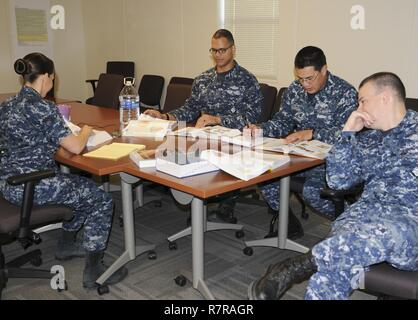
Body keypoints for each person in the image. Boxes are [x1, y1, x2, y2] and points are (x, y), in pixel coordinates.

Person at [249, 72, 418, 300]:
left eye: (363, 101)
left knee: (387, 233)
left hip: (409, 223)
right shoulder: (367, 140)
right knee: (334, 268)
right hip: (364, 217)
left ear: (385, 97)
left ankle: (295, 267)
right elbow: (338, 181)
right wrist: (347, 133)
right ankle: (305, 266)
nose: (358, 108)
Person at [0, 53, 128, 289]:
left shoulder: (7, 104)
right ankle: (94, 270)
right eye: (52, 78)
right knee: (100, 199)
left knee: (79, 191)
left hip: (8, 184)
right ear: (48, 77)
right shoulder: (43, 107)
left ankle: (67, 245)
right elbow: (76, 146)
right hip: (34, 185)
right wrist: (86, 131)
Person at [145, 29, 263, 222]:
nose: (218, 55)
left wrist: (217, 119)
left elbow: (253, 117)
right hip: (205, 138)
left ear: (233, 49)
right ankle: (197, 202)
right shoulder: (203, 79)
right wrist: (165, 115)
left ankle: (225, 200)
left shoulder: (247, 80)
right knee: (177, 153)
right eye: (214, 51)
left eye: (222, 50)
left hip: (234, 141)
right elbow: (190, 108)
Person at [249, 46, 358, 239]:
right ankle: (288, 223)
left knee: (313, 192)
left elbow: (348, 135)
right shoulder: (294, 90)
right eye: (300, 78)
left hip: (330, 163)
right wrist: (260, 129)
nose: (305, 84)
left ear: (323, 70)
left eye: (310, 78)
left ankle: (356, 224)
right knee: (263, 174)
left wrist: (313, 133)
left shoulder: (345, 93)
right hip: (300, 157)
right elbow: (282, 121)